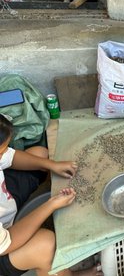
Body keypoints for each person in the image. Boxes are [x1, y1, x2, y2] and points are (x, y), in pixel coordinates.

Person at [0, 114, 102, 276]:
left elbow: (11, 157)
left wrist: (52, 165)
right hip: (4, 243)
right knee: (46, 244)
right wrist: (51, 204)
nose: (3, 154)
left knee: (39, 154)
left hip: (5, 202)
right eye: (1, 152)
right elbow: (7, 242)